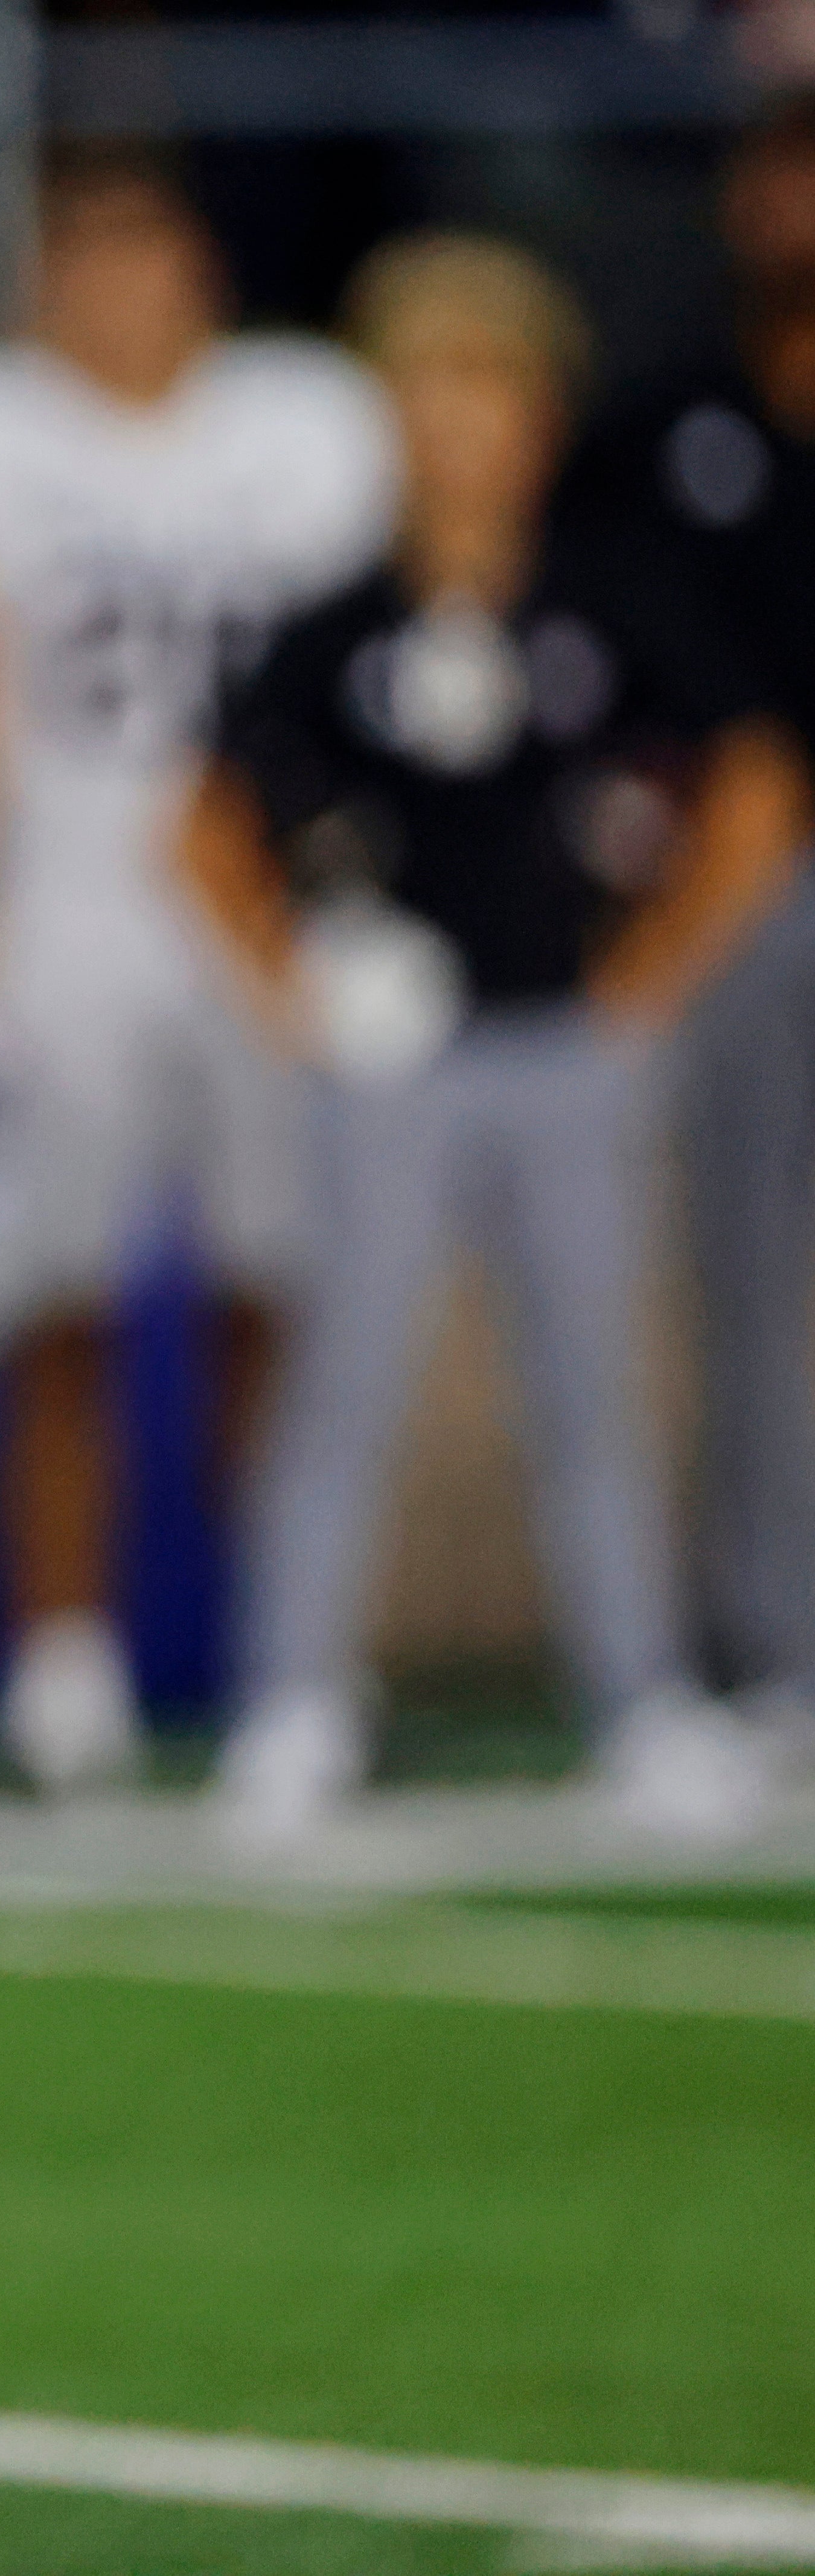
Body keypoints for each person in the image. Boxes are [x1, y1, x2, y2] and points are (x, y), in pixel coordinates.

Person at [181, 237, 804, 1843]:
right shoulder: (334, 626)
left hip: (561, 1045)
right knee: (347, 1376)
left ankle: (636, 1694)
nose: (458, 425)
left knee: (592, 1383)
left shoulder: (609, 603)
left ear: (535, 416)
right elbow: (204, 826)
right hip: (397, 1060)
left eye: (487, 387)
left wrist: (642, 982)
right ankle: (291, 1695)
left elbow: (750, 791)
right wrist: (294, 987)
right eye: (427, 388)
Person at [0, 149, 395, 1793]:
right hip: (65, 903)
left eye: (143, 256)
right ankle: (61, 1659)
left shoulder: (300, 426)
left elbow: (353, 676)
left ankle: (283, 1658)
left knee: (276, 1294)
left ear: (201, 280)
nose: (114, 293)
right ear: (38, 287)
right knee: (57, 1300)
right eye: (82, 260)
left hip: (255, 906)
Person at [560, 97, 815, 1741]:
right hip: (738, 888)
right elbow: (585, 653)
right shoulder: (661, 416)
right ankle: (771, 1634)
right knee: (744, 1276)